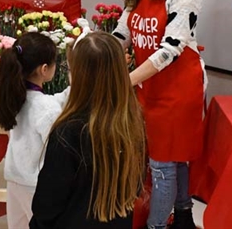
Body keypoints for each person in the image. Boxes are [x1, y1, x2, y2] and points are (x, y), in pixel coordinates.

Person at [112, 0, 206, 229]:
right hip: (146, 87)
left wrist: (123, 81)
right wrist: (98, 55)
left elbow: (170, 49)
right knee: (167, 157)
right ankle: (182, 216)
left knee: (164, 163)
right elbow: (122, 34)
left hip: (177, 90)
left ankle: (156, 226)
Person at [29, 31, 146, 229]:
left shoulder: (68, 131)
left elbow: (46, 205)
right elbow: (135, 187)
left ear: (79, 75)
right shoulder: (132, 124)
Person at [0, 32, 71, 229]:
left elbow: (53, 101)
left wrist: (74, 88)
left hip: (14, 178)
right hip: (35, 185)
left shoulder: (14, 96)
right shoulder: (45, 108)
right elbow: (59, 150)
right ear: (44, 69)